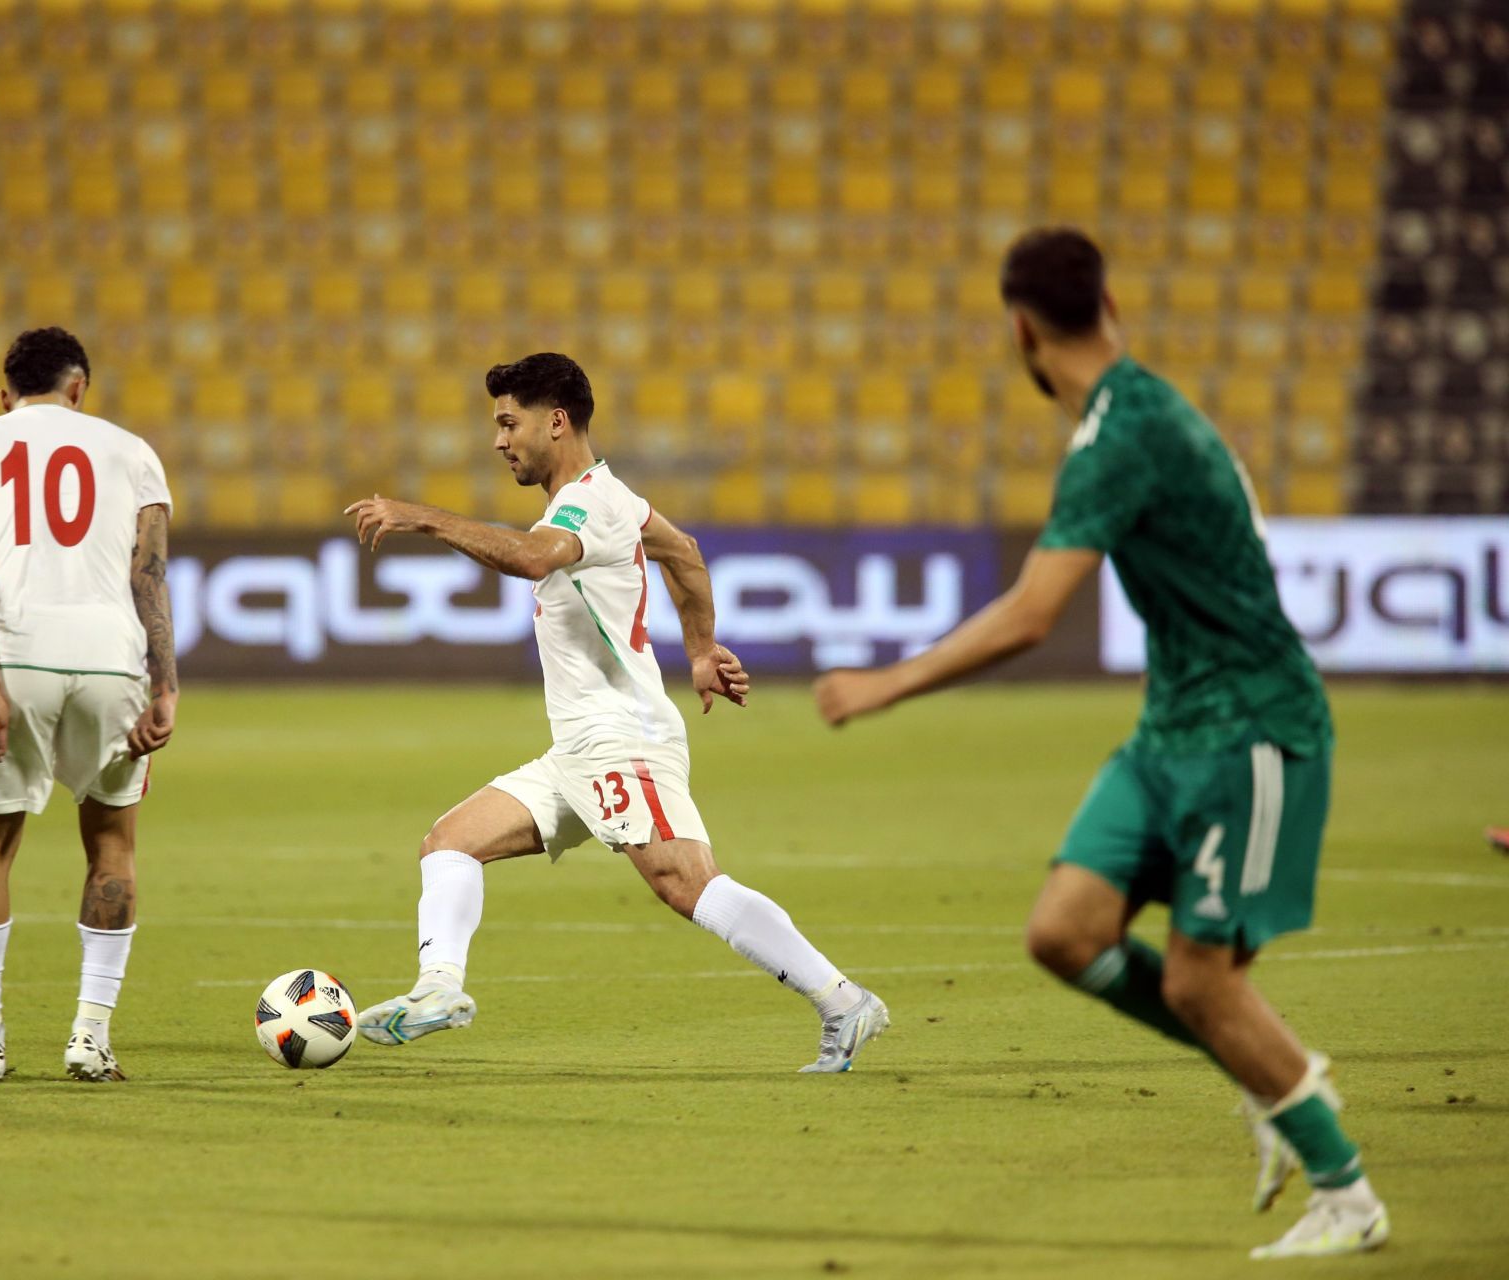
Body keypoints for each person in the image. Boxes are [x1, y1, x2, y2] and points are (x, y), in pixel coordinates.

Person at [813, 229, 1388, 1259]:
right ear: (1108, 301)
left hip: (1249, 727)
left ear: (1021, 330)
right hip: (1171, 724)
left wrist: (883, 682)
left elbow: (1034, 613)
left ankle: (1345, 1187)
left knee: (1202, 983)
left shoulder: (1125, 435)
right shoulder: (1140, 415)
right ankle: (1273, 1076)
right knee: (1065, 932)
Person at [344, 353, 887, 1072]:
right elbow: (685, 554)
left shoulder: (587, 506)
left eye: (510, 423)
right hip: (577, 749)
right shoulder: (615, 498)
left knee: (686, 883)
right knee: (449, 843)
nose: (499, 440)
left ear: (557, 422)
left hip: (622, 742)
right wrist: (700, 650)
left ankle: (844, 1001)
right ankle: (439, 990)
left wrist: (424, 517)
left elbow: (536, 560)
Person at [0, 328, 177, 1083]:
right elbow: (150, 574)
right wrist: (164, 684)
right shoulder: (133, 452)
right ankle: (90, 1037)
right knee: (112, 844)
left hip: (15, 654)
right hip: (111, 658)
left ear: (6, 395)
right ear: (80, 387)